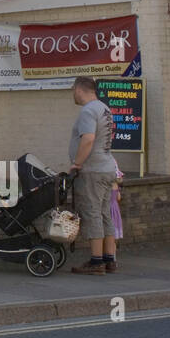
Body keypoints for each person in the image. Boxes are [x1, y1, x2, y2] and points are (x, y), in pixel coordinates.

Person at [66, 76, 120, 274]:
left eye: (73, 89)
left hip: (92, 171)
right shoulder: (104, 108)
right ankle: (109, 259)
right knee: (105, 214)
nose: (72, 93)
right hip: (106, 168)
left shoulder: (88, 110)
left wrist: (77, 163)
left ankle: (96, 262)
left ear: (80, 89)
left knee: (92, 213)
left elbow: (88, 139)